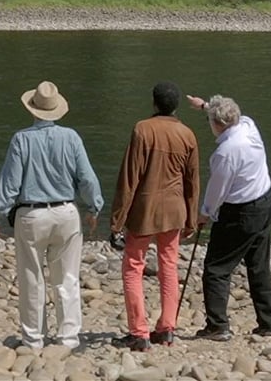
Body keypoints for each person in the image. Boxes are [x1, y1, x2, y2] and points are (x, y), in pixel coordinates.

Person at [0, 80, 104, 349]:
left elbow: (10, 183)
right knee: (67, 278)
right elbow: (87, 178)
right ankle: (68, 338)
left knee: (31, 277)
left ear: (32, 109)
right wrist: (94, 207)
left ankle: (33, 339)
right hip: (66, 212)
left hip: (31, 215)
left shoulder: (21, 139)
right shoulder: (71, 137)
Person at [108, 81, 201, 350]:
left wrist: (117, 221)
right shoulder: (187, 134)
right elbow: (193, 181)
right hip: (174, 210)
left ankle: (139, 332)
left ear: (154, 103)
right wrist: (191, 219)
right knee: (169, 266)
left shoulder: (143, 129)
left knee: (133, 267)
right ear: (176, 106)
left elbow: (130, 178)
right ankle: (167, 328)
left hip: (144, 211)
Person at [185, 93, 271, 341]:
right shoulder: (248, 125)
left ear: (216, 124)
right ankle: (269, 323)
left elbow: (218, 190)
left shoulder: (226, 152)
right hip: (265, 202)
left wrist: (204, 214)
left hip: (240, 213)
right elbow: (227, 115)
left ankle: (217, 326)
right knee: (258, 265)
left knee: (216, 268)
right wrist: (204, 106)